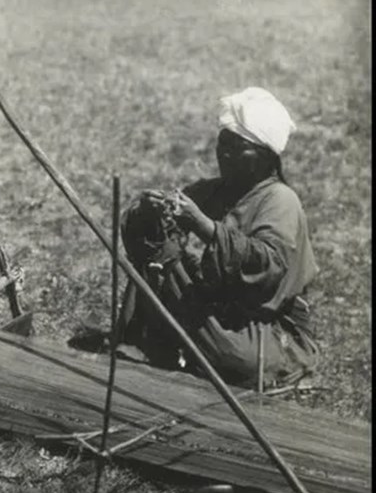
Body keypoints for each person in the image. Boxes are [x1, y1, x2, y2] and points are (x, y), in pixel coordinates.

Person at [118, 87, 319, 388]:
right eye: (222, 143)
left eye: (238, 147)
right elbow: (144, 242)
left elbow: (268, 266)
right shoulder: (213, 191)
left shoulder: (280, 200)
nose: (225, 153)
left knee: (237, 362)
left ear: (265, 158)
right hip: (216, 313)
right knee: (159, 247)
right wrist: (147, 212)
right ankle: (139, 338)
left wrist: (205, 227)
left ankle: (179, 345)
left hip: (261, 326)